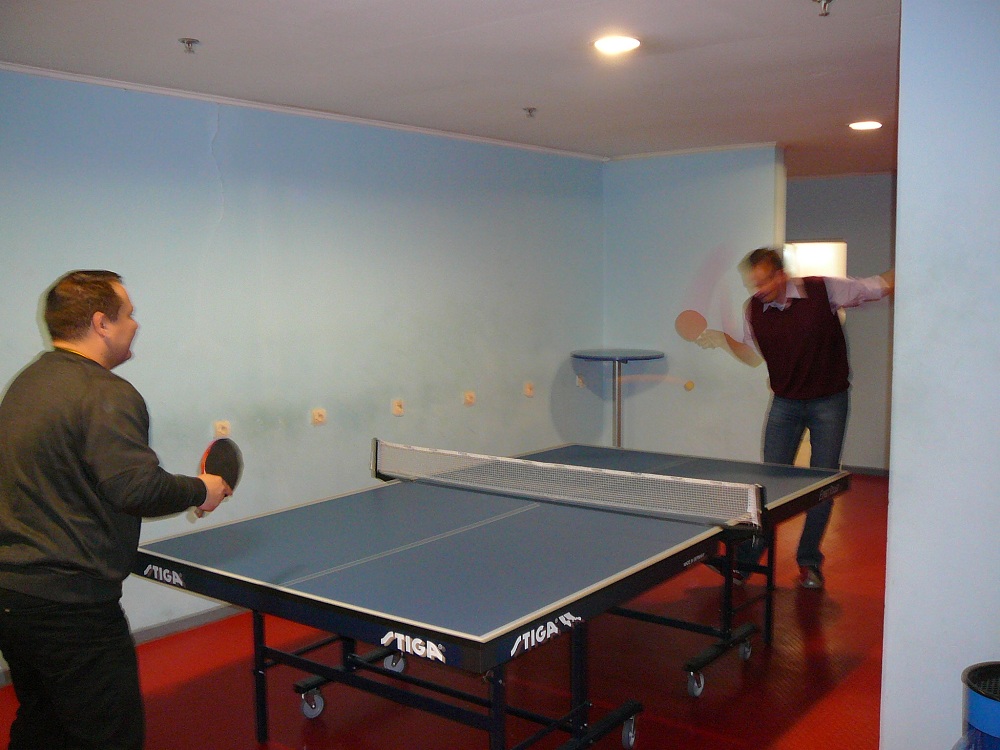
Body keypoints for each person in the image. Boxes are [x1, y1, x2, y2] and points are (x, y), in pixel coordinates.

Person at [0, 270, 233, 749]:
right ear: (101, 323)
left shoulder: (26, 384)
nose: (136, 324)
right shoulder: (107, 393)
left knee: (42, 722)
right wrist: (201, 489)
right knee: (108, 735)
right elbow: (136, 488)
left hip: (13, 596)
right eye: (128, 314)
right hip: (72, 606)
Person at [696, 247, 893, 589]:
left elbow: (874, 287)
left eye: (763, 282)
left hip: (829, 403)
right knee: (768, 487)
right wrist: (724, 340)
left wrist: (912, 265)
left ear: (781, 275)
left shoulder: (822, 289)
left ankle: (809, 561)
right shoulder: (754, 310)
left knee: (821, 486)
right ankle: (746, 563)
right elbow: (752, 356)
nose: (758, 290)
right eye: (753, 284)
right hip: (785, 404)